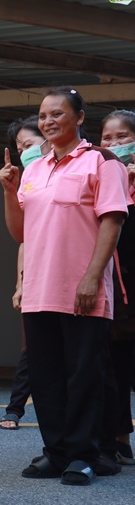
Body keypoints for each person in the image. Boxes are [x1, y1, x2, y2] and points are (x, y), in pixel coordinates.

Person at [0, 87, 128, 486]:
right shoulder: (34, 169)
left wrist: (92, 276)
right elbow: (20, 232)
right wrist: (9, 191)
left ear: (79, 117)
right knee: (46, 377)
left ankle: (84, 455)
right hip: (40, 289)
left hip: (82, 290)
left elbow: (112, 221)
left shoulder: (101, 162)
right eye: (43, 115)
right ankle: (55, 452)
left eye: (57, 113)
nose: (48, 121)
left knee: (84, 376)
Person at [0, 116, 49, 430]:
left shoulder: (88, 168)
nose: (24, 153)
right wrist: (21, 284)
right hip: (39, 280)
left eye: (29, 145)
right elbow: (24, 240)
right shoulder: (28, 183)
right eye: (20, 149)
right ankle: (15, 408)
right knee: (32, 349)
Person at [100, 109, 135, 465]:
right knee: (115, 366)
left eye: (122, 137)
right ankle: (119, 437)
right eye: (107, 138)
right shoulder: (102, 179)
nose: (114, 144)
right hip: (116, 293)